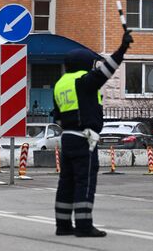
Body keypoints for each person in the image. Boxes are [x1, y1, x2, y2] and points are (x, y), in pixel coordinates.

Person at [53, 30, 134, 238]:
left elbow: (58, 118)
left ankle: (62, 225)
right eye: (91, 65)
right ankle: (84, 226)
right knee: (85, 181)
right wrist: (123, 48)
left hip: (67, 138)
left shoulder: (60, 84)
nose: (94, 68)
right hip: (84, 139)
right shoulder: (84, 81)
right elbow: (107, 69)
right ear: (85, 65)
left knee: (66, 182)